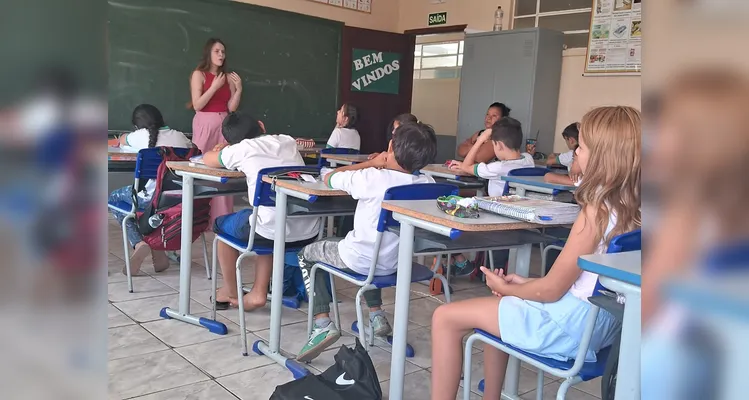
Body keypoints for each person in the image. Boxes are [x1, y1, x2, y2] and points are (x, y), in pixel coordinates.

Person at [430, 106, 641, 400]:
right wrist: (521, 285)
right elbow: (583, 283)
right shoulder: (635, 209)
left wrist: (507, 286)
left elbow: (553, 290)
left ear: (604, 156)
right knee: (503, 301)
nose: (576, 152)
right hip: (605, 325)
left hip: (570, 327)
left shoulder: (596, 211)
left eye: (582, 146)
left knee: (444, 317)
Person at [296, 122, 438, 362]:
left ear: (390, 146)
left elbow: (330, 178)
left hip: (358, 259)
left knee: (307, 254)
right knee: (376, 255)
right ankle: (377, 316)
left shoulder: (372, 177)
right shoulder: (428, 184)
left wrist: (371, 163)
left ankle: (322, 324)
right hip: (395, 264)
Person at [202, 112, 320, 310]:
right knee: (268, 218)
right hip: (308, 231)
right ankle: (258, 291)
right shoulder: (287, 141)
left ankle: (230, 290)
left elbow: (208, 159)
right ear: (261, 126)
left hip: (272, 230)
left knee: (222, 227)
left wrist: (225, 149)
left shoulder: (241, 149)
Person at [109, 104, 192, 275]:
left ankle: (139, 243)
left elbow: (123, 139)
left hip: (149, 197)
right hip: (180, 197)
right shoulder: (180, 137)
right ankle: (157, 247)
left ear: (138, 125)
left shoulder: (140, 136)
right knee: (152, 207)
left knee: (113, 199)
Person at [447, 117, 535, 276]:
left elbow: (467, 165)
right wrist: (466, 168)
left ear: (499, 145)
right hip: (518, 215)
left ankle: (459, 260)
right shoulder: (528, 160)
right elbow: (468, 168)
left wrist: (480, 140)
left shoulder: (498, 167)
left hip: (495, 216)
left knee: (450, 211)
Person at [189, 38, 243, 226]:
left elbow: (232, 108)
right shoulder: (199, 74)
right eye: (217, 51)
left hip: (225, 125)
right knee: (202, 165)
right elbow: (197, 104)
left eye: (223, 51)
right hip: (205, 123)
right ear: (208, 54)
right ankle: (197, 216)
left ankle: (220, 218)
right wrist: (214, 87)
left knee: (222, 167)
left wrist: (238, 90)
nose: (221, 55)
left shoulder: (227, 78)